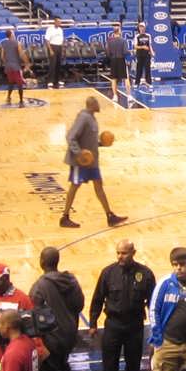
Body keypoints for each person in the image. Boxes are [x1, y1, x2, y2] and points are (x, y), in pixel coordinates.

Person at [90, 239, 156, 371]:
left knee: (133, 364)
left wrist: (156, 327)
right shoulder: (108, 273)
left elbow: (153, 303)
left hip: (135, 325)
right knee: (109, 363)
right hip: (113, 324)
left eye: (124, 253)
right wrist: (93, 323)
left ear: (133, 253)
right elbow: (98, 298)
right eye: (118, 253)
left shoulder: (145, 274)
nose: (120, 256)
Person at [60, 95, 126, 230]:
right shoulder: (84, 118)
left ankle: (110, 216)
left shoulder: (91, 118)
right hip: (81, 162)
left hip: (91, 161)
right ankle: (65, 217)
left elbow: (88, 140)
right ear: (91, 105)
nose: (99, 106)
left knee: (98, 185)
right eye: (97, 103)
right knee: (75, 186)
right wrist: (79, 153)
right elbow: (70, 137)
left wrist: (101, 143)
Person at [30, 244, 84, 371]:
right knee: (62, 365)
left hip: (52, 338)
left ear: (41, 262)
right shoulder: (71, 280)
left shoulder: (39, 286)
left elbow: (34, 315)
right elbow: (80, 304)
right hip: (70, 334)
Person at [0, 30, 28, 106]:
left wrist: (7, 63)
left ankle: (8, 97)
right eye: (13, 33)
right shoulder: (17, 43)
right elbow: (21, 54)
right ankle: (21, 100)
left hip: (8, 66)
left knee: (11, 82)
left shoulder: (3, 43)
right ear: (11, 34)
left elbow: (2, 56)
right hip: (16, 66)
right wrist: (26, 63)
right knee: (20, 83)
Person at [103, 25, 130, 107]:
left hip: (113, 61)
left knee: (113, 79)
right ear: (119, 31)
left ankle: (115, 96)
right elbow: (125, 52)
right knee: (126, 78)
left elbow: (107, 52)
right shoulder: (123, 40)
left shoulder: (109, 41)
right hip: (121, 60)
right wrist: (129, 54)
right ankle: (129, 96)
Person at [44, 21, 65, 88]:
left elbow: (62, 40)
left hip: (59, 47)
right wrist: (50, 49)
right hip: (52, 46)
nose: (59, 23)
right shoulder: (50, 29)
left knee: (58, 64)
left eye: (60, 22)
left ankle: (57, 80)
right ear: (55, 22)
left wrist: (62, 48)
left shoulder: (60, 30)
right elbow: (47, 40)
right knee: (52, 64)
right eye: (58, 22)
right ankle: (50, 81)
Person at [133, 26, 155, 90]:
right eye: (140, 27)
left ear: (145, 28)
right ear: (139, 28)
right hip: (139, 55)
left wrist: (152, 52)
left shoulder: (148, 36)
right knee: (139, 69)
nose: (142, 28)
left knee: (148, 69)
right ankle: (137, 83)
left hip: (147, 55)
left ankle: (149, 83)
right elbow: (135, 46)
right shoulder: (137, 36)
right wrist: (142, 47)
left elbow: (150, 45)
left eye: (143, 27)